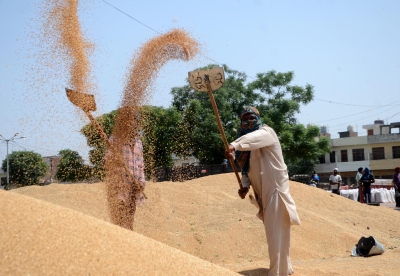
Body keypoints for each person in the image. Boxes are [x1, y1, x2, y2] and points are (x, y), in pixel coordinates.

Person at [224, 106, 300, 276]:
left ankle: (277, 273)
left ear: (258, 118)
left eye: (251, 117)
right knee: (277, 237)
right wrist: (244, 186)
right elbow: (247, 171)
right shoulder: (246, 147)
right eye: (244, 119)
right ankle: (284, 269)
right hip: (264, 197)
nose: (248, 121)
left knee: (275, 237)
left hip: (276, 193)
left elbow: (253, 138)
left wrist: (234, 145)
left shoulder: (267, 133)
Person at [104, 130, 146, 231]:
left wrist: (141, 182)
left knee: (129, 220)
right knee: (120, 220)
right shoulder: (115, 140)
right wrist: (115, 161)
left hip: (134, 188)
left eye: (136, 122)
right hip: (120, 187)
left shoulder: (139, 143)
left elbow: (141, 166)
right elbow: (106, 163)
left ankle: (128, 242)